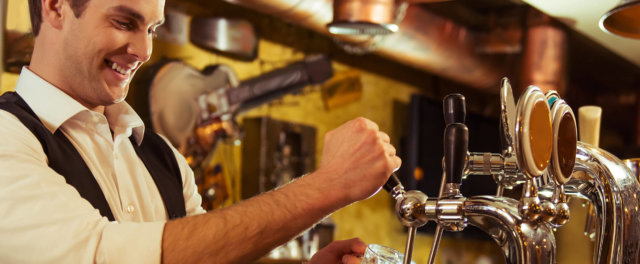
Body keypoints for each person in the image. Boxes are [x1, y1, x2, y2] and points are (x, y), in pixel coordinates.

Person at [0, 0, 401, 263]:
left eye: (153, 29)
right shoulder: (7, 137)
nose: (144, 50)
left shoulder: (162, 156)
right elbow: (104, 255)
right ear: (55, 8)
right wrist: (328, 185)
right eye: (125, 22)